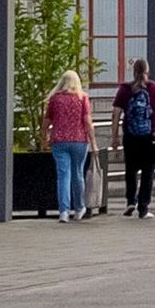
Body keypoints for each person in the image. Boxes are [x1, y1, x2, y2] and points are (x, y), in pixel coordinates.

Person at [118, 57, 155, 217]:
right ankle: (143, 208)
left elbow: (116, 114)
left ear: (134, 71)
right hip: (151, 136)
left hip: (130, 136)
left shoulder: (125, 89)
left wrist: (114, 135)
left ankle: (130, 202)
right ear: (148, 71)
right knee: (148, 172)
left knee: (130, 170)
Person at [43, 69, 94, 223]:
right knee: (77, 174)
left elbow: (46, 122)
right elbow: (87, 122)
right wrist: (94, 142)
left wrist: (44, 136)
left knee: (63, 176)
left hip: (59, 141)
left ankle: (63, 211)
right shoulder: (82, 98)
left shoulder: (55, 99)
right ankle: (79, 208)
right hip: (79, 141)